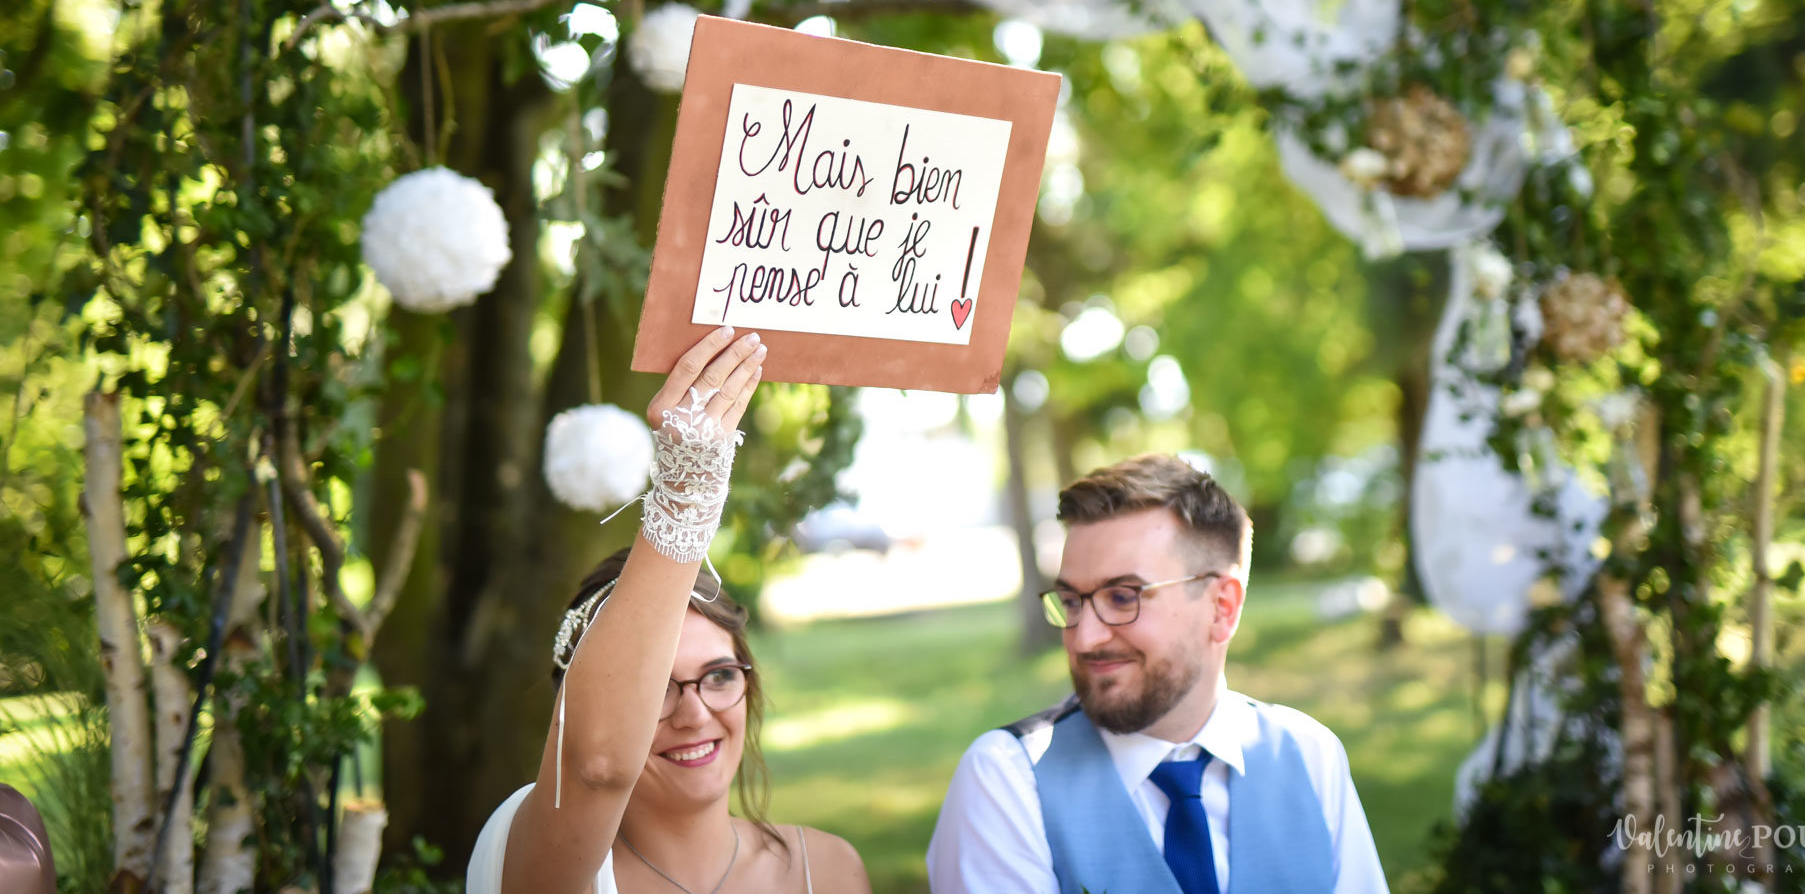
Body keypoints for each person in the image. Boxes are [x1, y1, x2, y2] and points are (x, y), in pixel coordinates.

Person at [467, 326, 870, 894]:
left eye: (720, 676)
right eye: (659, 686)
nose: (695, 714)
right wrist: (685, 498)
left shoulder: (828, 869)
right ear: (573, 705)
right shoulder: (539, 860)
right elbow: (598, 767)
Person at [926, 453, 1390, 894]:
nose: (1084, 638)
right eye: (1070, 602)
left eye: (1123, 597)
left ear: (1221, 607)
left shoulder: (1311, 757)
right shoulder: (1007, 780)